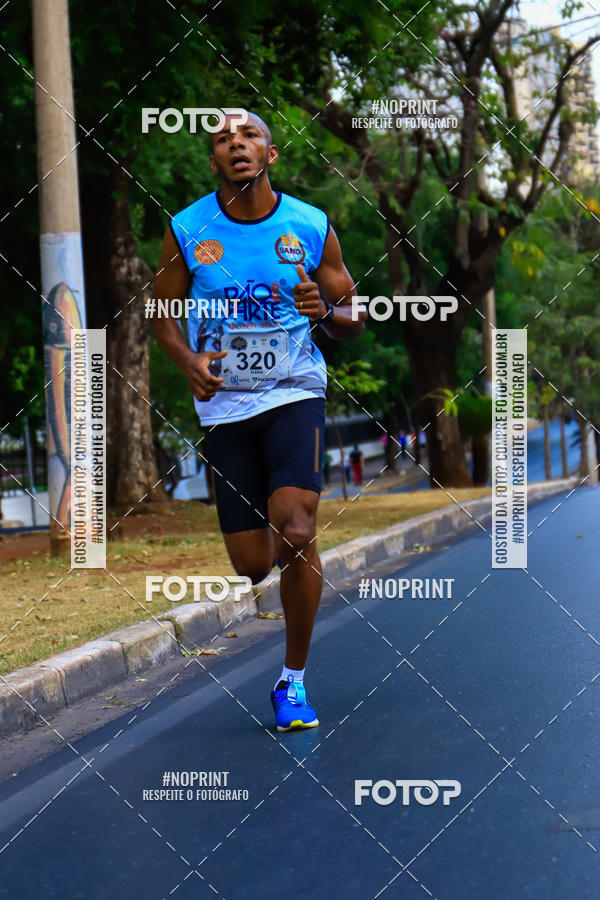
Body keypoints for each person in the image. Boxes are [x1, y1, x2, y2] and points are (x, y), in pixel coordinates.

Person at [151, 110, 366, 732]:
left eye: (248, 137)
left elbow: (351, 314)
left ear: (269, 155)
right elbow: (161, 312)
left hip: (295, 389)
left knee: (297, 530)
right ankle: (274, 556)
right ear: (214, 162)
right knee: (252, 564)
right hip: (225, 404)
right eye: (222, 140)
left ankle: (292, 682)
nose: (236, 145)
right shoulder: (188, 228)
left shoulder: (308, 223)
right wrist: (187, 358)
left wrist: (325, 308)